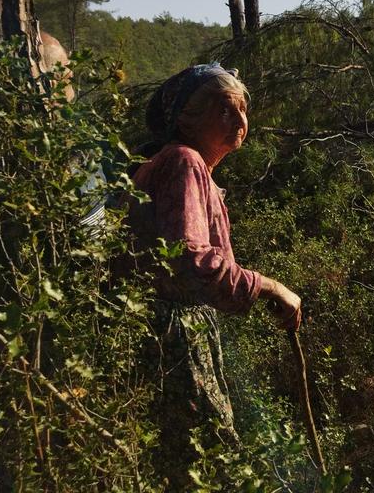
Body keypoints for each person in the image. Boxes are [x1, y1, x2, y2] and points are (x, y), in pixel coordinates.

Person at [124, 63, 301, 488]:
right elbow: (190, 260)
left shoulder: (176, 165)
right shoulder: (183, 161)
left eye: (242, 109)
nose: (239, 122)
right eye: (223, 110)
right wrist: (270, 287)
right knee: (208, 460)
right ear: (186, 117)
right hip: (174, 336)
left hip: (164, 331)